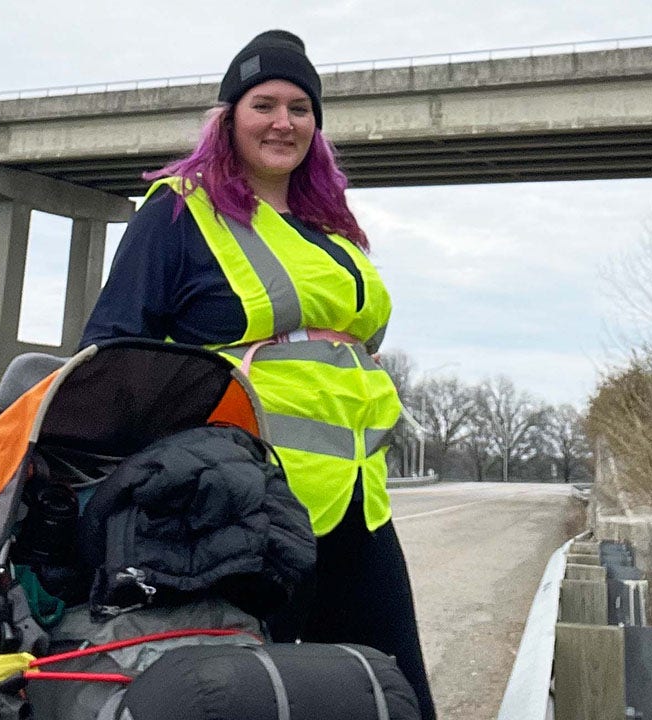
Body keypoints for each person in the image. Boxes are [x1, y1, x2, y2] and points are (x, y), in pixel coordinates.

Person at [80, 30, 437, 719]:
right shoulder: (179, 213)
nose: (283, 122)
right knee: (262, 704)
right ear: (228, 118)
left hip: (356, 504)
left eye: (300, 107)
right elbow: (115, 356)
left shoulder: (329, 229)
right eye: (264, 104)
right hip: (245, 514)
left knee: (393, 700)